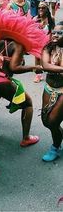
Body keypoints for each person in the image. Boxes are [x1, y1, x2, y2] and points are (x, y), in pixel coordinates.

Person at [0, 9, 49, 147]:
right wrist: (33, 68)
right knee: (28, 104)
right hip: (1, 80)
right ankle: (26, 138)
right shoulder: (18, 45)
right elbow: (15, 68)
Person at [41, 22, 63, 161]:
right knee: (46, 121)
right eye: (54, 32)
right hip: (49, 87)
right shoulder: (48, 47)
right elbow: (45, 65)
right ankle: (59, 137)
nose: (55, 34)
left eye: (59, 33)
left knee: (53, 121)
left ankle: (55, 147)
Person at [33, 1, 54, 83]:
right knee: (37, 57)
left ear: (47, 9)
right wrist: (38, 26)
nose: (41, 9)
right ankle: (38, 75)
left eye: (43, 7)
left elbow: (53, 30)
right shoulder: (35, 19)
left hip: (48, 41)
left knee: (47, 58)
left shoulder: (51, 18)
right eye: (39, 8)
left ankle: (50, 71)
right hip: (37, 41)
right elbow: (31, 31)